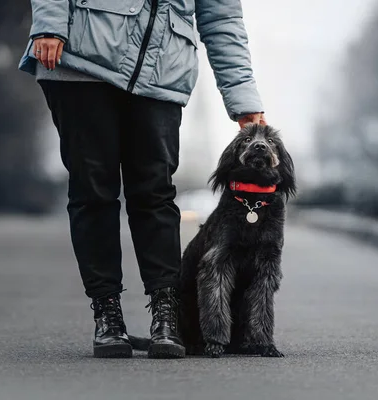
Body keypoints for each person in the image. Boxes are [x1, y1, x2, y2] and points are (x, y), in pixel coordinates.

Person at [18, 0, 266, 359]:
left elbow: (221, 15)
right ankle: (107, 317)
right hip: (82, 57)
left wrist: (242, 95)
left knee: (156, 193)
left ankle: (166, 316)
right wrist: (49, 24)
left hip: (161, 69)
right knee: (93, 191)